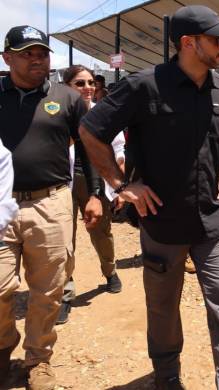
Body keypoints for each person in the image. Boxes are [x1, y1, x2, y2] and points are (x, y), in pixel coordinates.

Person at [78, 6, 219, 389]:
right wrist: (120, 183)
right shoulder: (144, 86)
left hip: (217, 224)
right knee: (162, 308)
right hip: (162, 224)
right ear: (189, 43)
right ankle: (167, 376)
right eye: (218, 39)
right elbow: (91, 130)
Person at [0, 25, 102, 389]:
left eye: (41, 52)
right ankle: (3, 345)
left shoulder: (68, 98)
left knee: (48, 289)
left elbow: (91, 145)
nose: (36, 59)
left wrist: (95, 194)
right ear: (7, 58)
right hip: (2, 204)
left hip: (52, 202)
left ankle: (38, 360)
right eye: (27, 53)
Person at [57, 65, 125, 326]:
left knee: (101, 231)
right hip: (62, 181)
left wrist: (118, 185)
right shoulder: (56, 114)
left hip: (94, 181)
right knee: (63, 237)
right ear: (67, 87)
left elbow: (119, 147)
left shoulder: (104, 114)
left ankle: (110, 271)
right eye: (79, 83)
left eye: (90, 83)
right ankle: (65, 292)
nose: (87, 88)